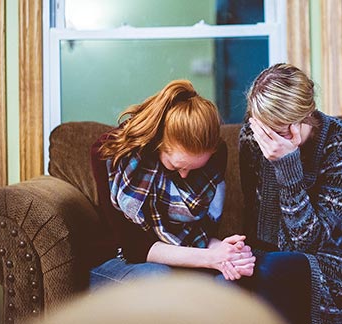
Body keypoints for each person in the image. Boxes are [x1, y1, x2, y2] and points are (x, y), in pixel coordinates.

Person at [238, 63, 342, 323]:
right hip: (278, 252)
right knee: (237, 274)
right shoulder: (253, 138)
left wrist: (288, 165)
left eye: (279, 130)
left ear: (305, 116)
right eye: (262, 128)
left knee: (275, 269)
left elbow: (307, 244)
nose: (268, 139)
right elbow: (257, 220)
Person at [90, 80, 255, 289]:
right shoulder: (109, 154)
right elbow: (134, 247)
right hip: (119, 259)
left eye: (194, 168)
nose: (185, 176)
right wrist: (211, 258)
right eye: (176, 166)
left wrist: (227, 251)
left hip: (181, 257)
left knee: (230, 283)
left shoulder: (215, 157)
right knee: (161, 278)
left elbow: (202, 234)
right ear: (158, 143)